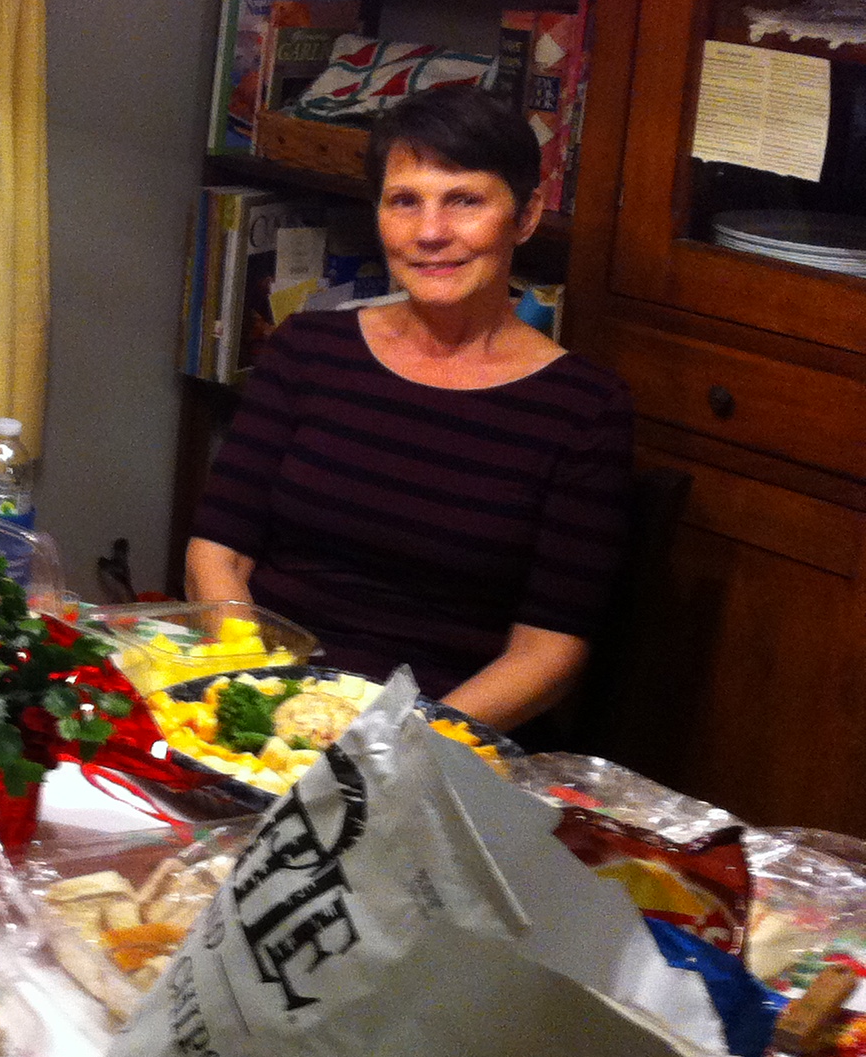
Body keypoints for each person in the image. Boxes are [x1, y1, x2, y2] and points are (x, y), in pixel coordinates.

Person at [184, 84, 633, 729]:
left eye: (465, 201)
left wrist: (390, 747)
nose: (430, 233)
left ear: (526, 216)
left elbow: (549, 651)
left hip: (437, 737)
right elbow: (217, 554)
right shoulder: (307, 350)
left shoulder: (585, 408)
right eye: (404, 201)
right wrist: (262, 701)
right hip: (262, 702)